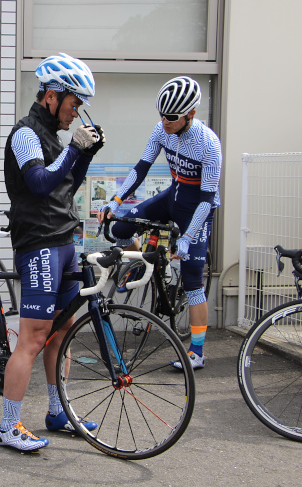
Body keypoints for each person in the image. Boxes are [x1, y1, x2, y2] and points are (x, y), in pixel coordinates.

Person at [0, 54, 105, 452]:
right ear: (51, 96)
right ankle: (9, 426)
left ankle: (57, 411)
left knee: (60, 332)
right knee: (33, 338)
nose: (76, 113)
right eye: (74, 104)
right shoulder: (25, 134)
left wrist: (84, 154)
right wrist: (73, 151)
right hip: (39, 243)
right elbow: (41, 184)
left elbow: (65, 186)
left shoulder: (54, 139)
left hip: (63, 242)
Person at [98, 76, 222, 370]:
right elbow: (140, 169)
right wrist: (115, 200)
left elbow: (206, 199)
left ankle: (197, 352)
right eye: (161, 116)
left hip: (197, 209)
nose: (164, 122)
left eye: (171, 117)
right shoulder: (161, 130)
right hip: (172, 197)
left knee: (192, 282)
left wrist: (188, 236)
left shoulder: (209, 145)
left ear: (190, 114)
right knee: (120, 228)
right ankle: (141, 261)